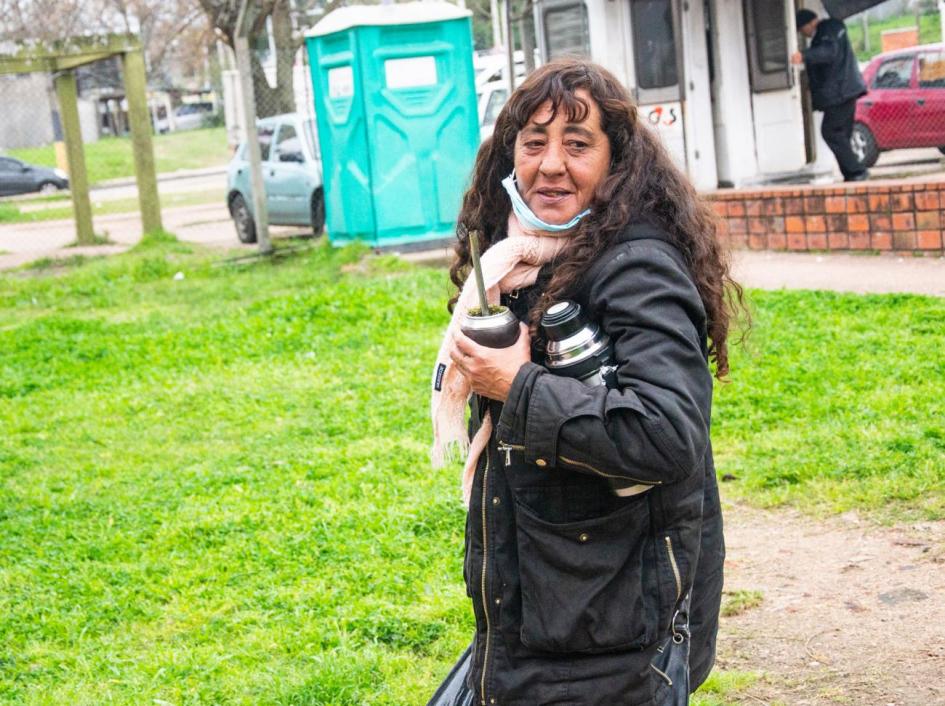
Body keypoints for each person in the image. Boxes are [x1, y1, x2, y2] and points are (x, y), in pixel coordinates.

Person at [428, 59, 745, 705]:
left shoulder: (635, 266)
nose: (550, 164)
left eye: (577, 144)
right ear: (508, 156)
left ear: (615, 162)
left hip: (613, 635)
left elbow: (665, 436)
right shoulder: (522, 261)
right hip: (545, 615)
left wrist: (518, 386)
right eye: (534, 142)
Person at [791, 9, 869, 182]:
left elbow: (828, 53)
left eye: (802, 29)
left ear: (810, 23)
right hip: (847, 89)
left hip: (840, 92)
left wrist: (804, 56)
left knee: (830, 131)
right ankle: (852, 173)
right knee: (842, 133)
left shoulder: (826, 31)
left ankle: (856, 171)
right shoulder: (834, 28)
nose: (804, 33)